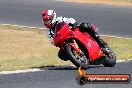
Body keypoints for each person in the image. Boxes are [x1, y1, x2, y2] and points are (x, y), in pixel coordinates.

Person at [41, 10, 109, 53]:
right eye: (45, 21)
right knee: (61, 54)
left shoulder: (59, 19)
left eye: (48, 20)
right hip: (64, 41)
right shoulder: (49, 32)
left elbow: (70, 20)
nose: (47, 22)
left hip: (72, 31)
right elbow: (53, 41)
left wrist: (74, 24)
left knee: (85, 26)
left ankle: (102, 45)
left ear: (53, 17)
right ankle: (77, 57)